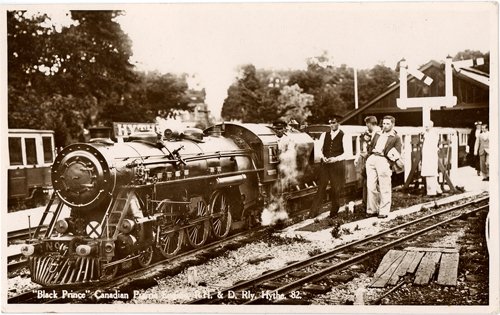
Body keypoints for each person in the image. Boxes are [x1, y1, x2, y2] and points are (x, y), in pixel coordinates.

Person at [365, 116, 402, 219]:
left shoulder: (396, 137)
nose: (385, 126)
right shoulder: (377, 134)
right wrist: (369, 157)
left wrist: (388, 162)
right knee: (371, 186)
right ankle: (372, 210)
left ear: (392, 124)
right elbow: (371, 146)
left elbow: (397, 152)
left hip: (383, 160)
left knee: (384, 186)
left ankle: (384, 211)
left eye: (387, 124)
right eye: (384, 123)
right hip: (372, 158)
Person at [310, 116, 345, 218]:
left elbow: (346, 153)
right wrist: (323, 157)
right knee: (321, 188)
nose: (331, 125)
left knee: (335, 189)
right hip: (325, 165)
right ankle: (313, 212)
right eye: (330, 123)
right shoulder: (324, 135)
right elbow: (319, 150)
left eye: (333, 123)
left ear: (339, 123)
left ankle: (334, 212)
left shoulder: (344, 135)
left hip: (337, 166)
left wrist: (336, 159)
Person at [354, 116, 381, 211]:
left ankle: (374, 207)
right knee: (367, 184)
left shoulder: (378, 134)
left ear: (370, 123)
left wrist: (367, 155)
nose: (366, 126)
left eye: (367, 124)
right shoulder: (371, 134)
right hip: (368, 165)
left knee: (373, 186)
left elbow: (376, 151)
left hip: (374, 165)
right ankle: (367, 205)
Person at [420, 120, 443, 196]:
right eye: (425, 126)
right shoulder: (427, 134)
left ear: (431, 126)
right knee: (430, 173)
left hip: (430, 156)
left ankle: (431, 192)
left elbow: (432, 145)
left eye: (427, 126)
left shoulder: (433, 134)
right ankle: (438, 190)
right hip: (427, 156)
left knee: (430, 174)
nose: (425, 127)